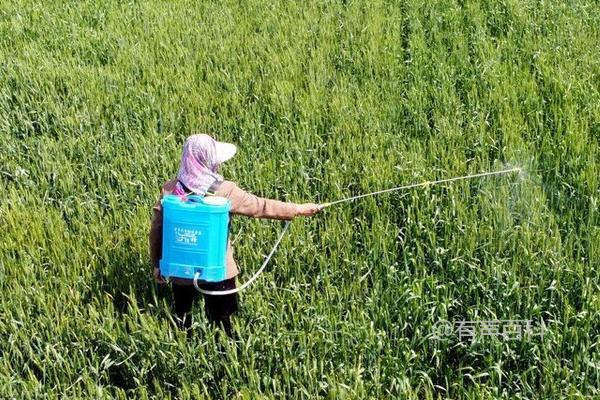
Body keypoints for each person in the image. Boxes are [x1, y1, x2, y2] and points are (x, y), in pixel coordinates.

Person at [148, 134, 321, 338]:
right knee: (224, 322)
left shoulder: (170, 190)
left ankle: (185, 349)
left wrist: (157, 264)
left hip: (180, 271)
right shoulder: (224, 191)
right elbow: (260, 206)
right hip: (218, 271)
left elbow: (156, 230)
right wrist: (297, 209)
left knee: (182, 317)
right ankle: (227, 355)